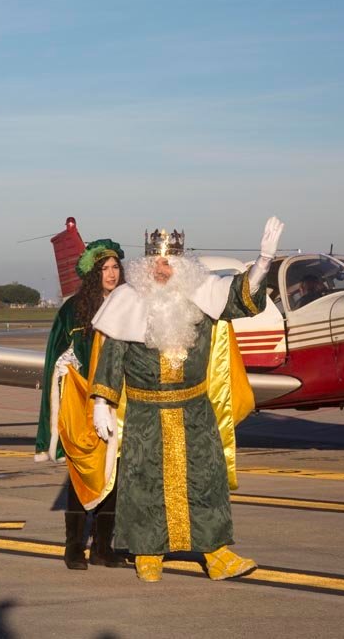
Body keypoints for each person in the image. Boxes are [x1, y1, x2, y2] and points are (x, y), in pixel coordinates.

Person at [90, 217, 284, 582]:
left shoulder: (201, 295)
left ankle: (217, 553)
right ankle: (147, 553)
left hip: (195, 409)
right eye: (156, 263)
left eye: (170, 263)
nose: (163, 269)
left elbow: (239, 299)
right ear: (145, 267)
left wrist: (262, 263)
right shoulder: (127, 301)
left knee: (206, 480)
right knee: (144, 483)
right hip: (146, 412)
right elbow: (111, 356)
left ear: (182, 265)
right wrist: (103, 402)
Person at [36, 239, 126, 569]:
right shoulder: (73, 310)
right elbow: (56, 356)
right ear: (93, 274)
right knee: (81, 475)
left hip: (120, 402)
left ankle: (103, 547)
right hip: (82, 403)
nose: (112, 274)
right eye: (105, 268)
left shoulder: (128, 304)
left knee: (112, 476)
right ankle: (73, 547)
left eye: (116, 267)